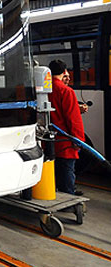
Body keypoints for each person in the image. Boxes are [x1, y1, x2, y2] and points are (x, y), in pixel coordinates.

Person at [48, 60, 85, 195]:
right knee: (67, 169)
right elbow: (73, 119)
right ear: (64, 72)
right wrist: (78, 140)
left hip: (50, 140)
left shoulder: (44, 89)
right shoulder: (66, 91)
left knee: (54, 169)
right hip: (65, 141)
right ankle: (69, 196)